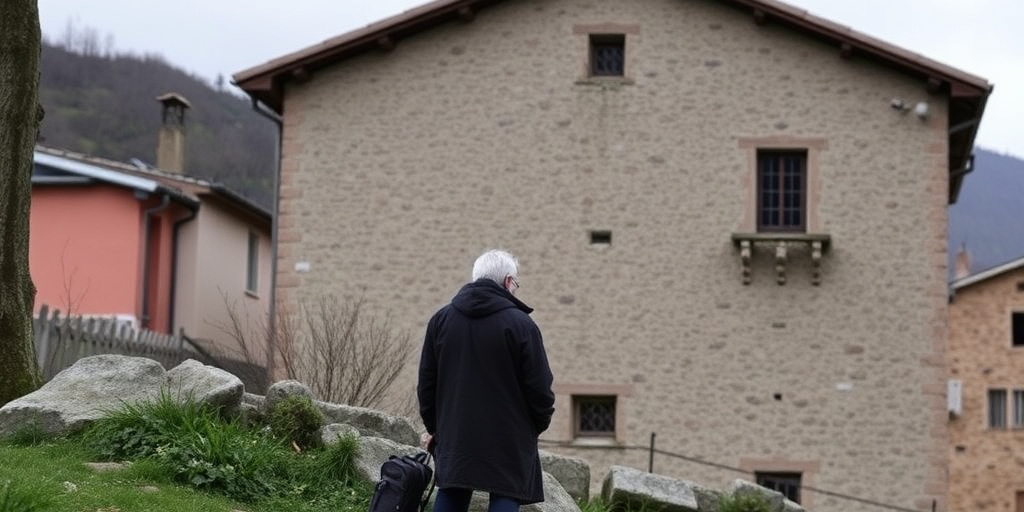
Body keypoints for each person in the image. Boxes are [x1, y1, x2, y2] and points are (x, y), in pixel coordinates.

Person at [417, 249, 555, 512]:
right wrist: (536, 424)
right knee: (505, 492)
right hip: (509, 434)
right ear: (507, 282)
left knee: (453, 488)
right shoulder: (521, 324)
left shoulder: (441, 320)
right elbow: (539, 388)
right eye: (515, 283)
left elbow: (427, 383)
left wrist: (436, 427)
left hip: (455, 429)